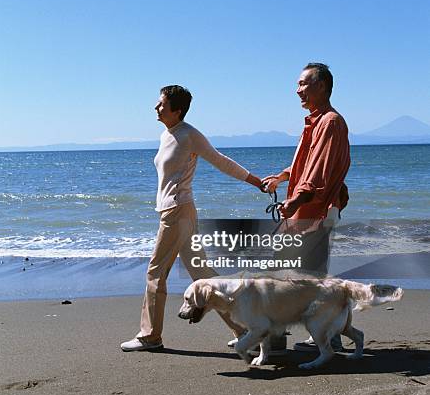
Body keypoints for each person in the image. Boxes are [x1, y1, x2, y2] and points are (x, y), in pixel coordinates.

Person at [121, 85, 263, 351]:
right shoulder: (167, 135)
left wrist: (256, 182)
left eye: (161, 104)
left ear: (177, 110)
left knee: (155, 272)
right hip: (176, 211)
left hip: (177, 211)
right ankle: (246, 329)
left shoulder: (189, 135)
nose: (156, 107)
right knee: (202, 274)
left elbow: (221, 161)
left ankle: (150, 335)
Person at [262, 62, 350, 352]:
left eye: (303, 84)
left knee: (304, 275)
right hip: (309, 208)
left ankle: (322, 337)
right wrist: (283, 176)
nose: (297, 90)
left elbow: (319, 173)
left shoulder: (330, 122)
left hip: (317, 209)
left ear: (321, 86)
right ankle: (315, 335)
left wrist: (297, 199)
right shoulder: (316, 121)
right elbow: (306, 164)